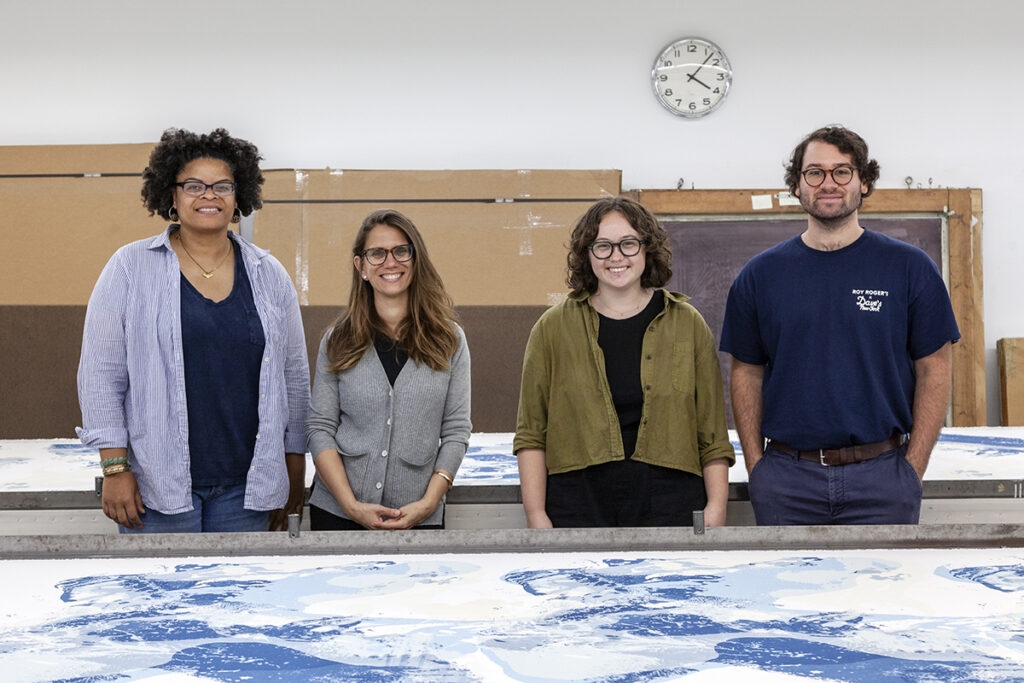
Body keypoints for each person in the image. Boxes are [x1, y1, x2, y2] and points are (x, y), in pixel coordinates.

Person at [720, 125, 960, 525]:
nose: (827, 183)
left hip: (882, 478)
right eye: (814, 172)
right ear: (797, 186)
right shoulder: (760, 276)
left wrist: (911, 469)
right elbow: (746, 372)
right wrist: (756, 466)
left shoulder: (909, 268)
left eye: (842, 171)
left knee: (885, 589)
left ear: (863, 182)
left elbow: (935, 368)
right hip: (786, 482)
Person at [77, 128, 310, 533]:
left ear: (240, 196)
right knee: (159, 598)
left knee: (238, 598)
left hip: (248, 489)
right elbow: (100, 375)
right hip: (155, 487)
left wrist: (293, 470)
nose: (209, 195)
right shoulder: (130, 267)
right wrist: (114, 468)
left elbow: (294, 378)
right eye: (193, 185)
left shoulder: (268, 274)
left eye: (222, 185)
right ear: (171, 194)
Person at [514, 196, 734, 528]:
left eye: (628, 244)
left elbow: (712, 432)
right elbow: (531, 433)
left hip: (671, 498)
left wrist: (716, 508)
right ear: (587, 254)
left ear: (647, 248)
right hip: (577, 500)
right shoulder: (551, 328)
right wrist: (536, 515)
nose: (616, 256)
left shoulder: (688, 324)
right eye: (602, 246)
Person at [305, 209, 471, 530]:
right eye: (377, 253)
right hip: (338, 515)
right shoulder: (337, 340)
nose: (390, 262)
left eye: (401, 251)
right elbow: (319, 429)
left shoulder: (449, 340)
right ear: (361, 267)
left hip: (419, 516)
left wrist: (428, 503)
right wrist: (351, 506)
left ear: (415, 259)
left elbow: (455, 432)